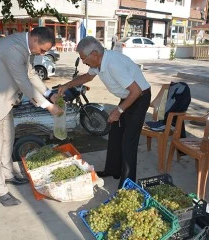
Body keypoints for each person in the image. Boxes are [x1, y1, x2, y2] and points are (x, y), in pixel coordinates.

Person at [0, 27, 63, 207]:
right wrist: (47, 105)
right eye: (42, 50)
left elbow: (30, 73)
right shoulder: (14, 49)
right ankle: (0, 191)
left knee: (8, 139)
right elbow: (24, 82)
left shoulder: (24, 45)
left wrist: (49, 93)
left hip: (4, 100)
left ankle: (8, 174)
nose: (42, 54)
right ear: (35, 40)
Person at [58, 36, 151, 188]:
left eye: (84, 58)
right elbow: (88, 76)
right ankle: (113, 170)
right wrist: (68, 85)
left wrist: (119, 110)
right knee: (115, 134)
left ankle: (127, 185)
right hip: (128, 96)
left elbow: (136, 91)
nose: (83, 62)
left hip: (139, 98)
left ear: (94, 54)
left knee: (128, 142)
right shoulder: (99, 62)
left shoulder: (113, 64)